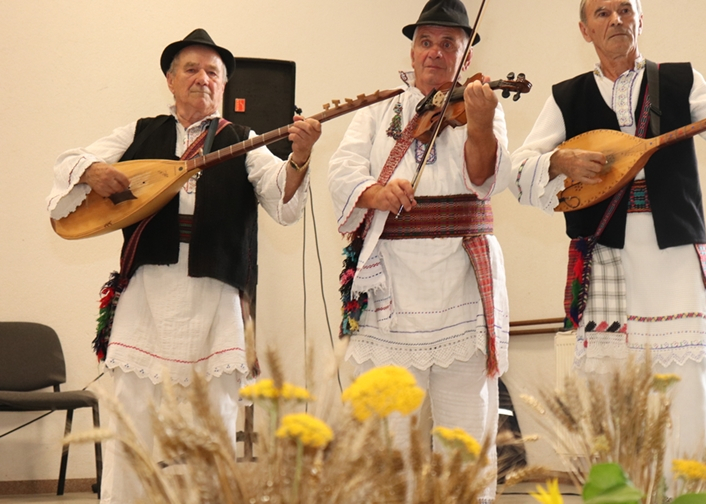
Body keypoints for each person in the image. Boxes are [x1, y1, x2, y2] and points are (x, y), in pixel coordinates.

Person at [509, 0, 706, 478]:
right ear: (584, 31)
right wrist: (559, 161)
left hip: (673, 255)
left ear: (640, 20)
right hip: (607, 255)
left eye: (625, 9)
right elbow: (519, 168)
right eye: (602, 13)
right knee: (610, 396)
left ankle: (688, 491)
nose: (616, 20)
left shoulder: (678, 81)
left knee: (686, 389)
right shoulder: (567, 97)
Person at [46, 28, 321, 504]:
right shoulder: (140, 132)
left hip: (216, 294)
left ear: (224, 85)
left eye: (213, 72)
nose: (202, 78)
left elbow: (282, 200)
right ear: (170, 81)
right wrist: (92, 171)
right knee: (130, 418)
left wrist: (300, 155)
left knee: (215, 424)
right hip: (147, 292)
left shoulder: (242, 139)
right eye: (191, 69)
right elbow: (69, 162)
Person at [327, 0, 511, 501]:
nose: (435, 52)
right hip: (393, 286)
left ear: (466, 57)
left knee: (466, 435)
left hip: (462, 284)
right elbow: (341, 170)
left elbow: (485, 179)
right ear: (411, 51)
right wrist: (375, 192)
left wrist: (479, 123)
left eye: (449, 44)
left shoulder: (482, 106)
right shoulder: (378, 110)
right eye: (426, 42)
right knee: (392, 436)